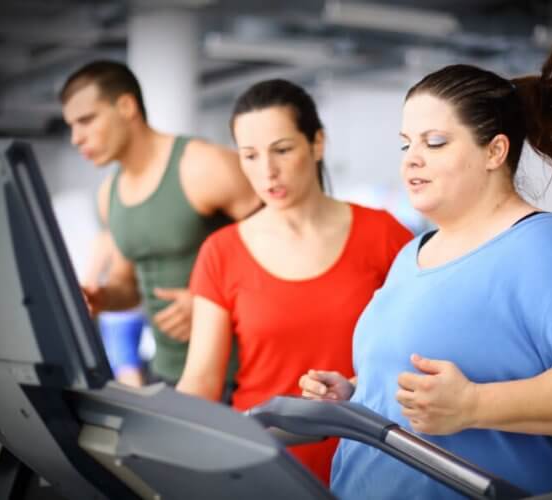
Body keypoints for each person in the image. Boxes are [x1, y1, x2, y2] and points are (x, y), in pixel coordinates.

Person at [299, 35, 552, 499]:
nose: (412, 158)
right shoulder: (413, 255)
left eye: (435, 142)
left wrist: (474, 405)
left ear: (495, 152)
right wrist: (357, 395)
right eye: (406, 143)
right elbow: (423, 381)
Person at [176, 79, 413, 484]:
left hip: (372, 465)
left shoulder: (384, 235)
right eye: (249, 156)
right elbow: (202, 379)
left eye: (282, 150)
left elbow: (414, 350)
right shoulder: (221, 252)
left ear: (316, 144)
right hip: (263, 470)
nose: (267, 171)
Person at [61, 61, 260, 385]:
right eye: (71, 125)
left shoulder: (202, 165)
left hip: (238, 373)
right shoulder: (108, 194)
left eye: (86, 120)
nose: (75, 138)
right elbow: (128, 287)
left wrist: (211, 302)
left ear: (125, 106)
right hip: (168, 374)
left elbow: (282, 252)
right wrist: (102, 298)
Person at [83, 230, 147, 387]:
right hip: (136, 309)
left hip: (117, 316)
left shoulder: (105, 239)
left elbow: (90, 283)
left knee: (126, 367)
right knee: (130, 365)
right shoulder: (131, 234)